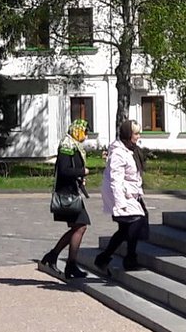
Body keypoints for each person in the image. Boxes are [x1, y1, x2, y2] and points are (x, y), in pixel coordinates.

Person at [39, 120, 91, 280]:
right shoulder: (67, 147)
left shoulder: (74, 146)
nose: (87, 136)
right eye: (85, 132)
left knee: (78, 227)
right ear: (77, 131)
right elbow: (64, 170)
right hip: (67, 194)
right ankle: (69, 264)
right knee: (81, 226)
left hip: (72, 192)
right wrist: (82, 171)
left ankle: (56, 257)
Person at [94, 118, 147, 275]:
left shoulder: (130, 149)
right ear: (128, 134)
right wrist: (120, 203)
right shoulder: (118, 153)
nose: (138, 136)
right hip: (122, 195)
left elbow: (134, 175)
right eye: (136, 133)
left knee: (125, 229)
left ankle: (105, 258)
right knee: (136, 220)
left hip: (130, 193)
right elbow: (115, 180)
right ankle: (129, 258)